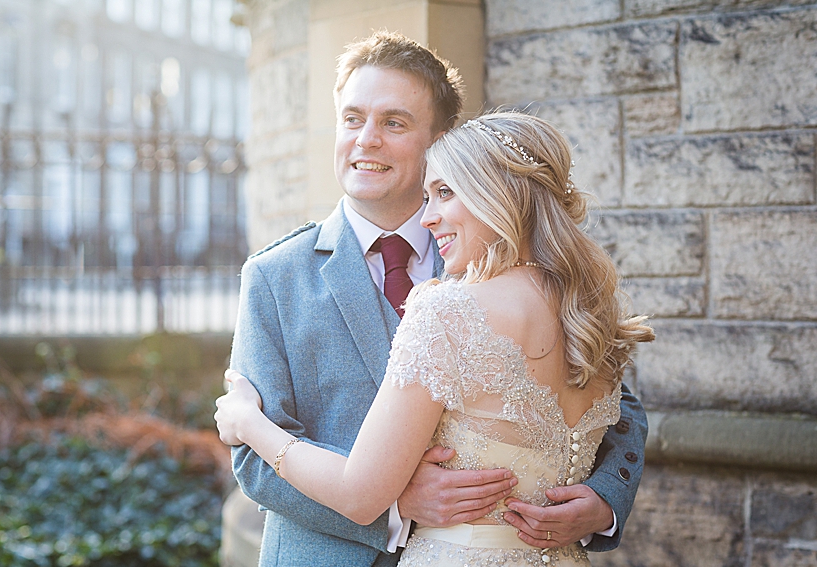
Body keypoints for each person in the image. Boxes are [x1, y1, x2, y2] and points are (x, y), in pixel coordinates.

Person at [217, 32, 650, 567]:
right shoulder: (273, 276)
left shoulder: (495, 266)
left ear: (442, 140)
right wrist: (396, 507)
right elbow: (254, 464)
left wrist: (604, 500)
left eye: (393, 122)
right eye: (352, 119)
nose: (366, 140)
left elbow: (612, 402)